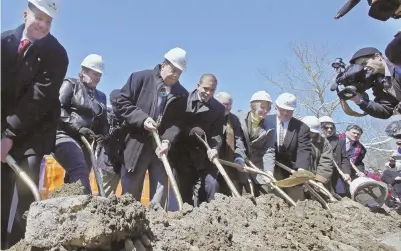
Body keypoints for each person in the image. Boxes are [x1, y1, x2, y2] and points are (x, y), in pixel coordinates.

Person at [1, 0, 68, 248]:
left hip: (34, 130)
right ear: (25, 13)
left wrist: (9, 135)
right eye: (38, 17)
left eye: (48, 21)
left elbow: (37, 100)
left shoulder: (57, 55)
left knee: (24, 189)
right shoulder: (4, 41)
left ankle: (18, 244)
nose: (42, 24)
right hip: (3, 126)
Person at [115, 47, 189, 209]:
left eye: (179, 72)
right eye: (173, 70)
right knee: (130, 196)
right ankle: (130, 227)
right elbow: (121, 102)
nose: (175, 75)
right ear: (163, 65)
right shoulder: (140, 78)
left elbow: (176, 123)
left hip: (160, 148)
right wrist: (142, 119)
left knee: (160, 192)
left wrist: (167, 141)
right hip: (137, 145)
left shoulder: (181, 94)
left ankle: (157, 226)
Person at [53, 54, 109, 195]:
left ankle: (68, 208)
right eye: (94, 73)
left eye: (100, 75)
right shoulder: (70, 84)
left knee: (77, 174)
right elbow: (58, 109)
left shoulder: (101, 96)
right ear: (84, 71)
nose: (98, 78)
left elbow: (104, 120)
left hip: (87, 143)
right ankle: (86, 206)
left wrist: (103, 135)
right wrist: (78, 128)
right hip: (64, 136)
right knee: (79, 168)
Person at [172, 74, 225, 207]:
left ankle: (215, 216)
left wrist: (215, 148)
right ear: (198, 86)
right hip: (182, 154)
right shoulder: (183, 100)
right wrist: (188, 130)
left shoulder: (219, 109)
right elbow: (174, 122)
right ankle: (185, 219)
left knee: (212, 184)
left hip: (203, 155)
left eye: (212, 90)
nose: (208, 93)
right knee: (184, 191)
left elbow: (217, 133)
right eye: (205, 88)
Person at [265, 93, 311, 201]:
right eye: (282, 109)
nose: (285, 113)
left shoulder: (302, 128)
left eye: (289, 110)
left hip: (290, 170)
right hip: (268, 169)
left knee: (294, 201)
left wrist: (301, 170)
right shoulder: (265, 121)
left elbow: (303, 149)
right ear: (276, 106)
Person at [235, 91, 275, 196]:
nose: (265, 111)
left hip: (257, 166)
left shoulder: (270, 126)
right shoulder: (238, 119)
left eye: (268, 108)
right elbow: (238, 142)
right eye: (262, 107)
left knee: (266, 193)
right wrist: (240, 158)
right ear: (252, 106)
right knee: (243, 196)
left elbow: (269, 150)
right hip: (239, 163)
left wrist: (268, 171)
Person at [347, 47, 401, 119]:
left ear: (378, 57)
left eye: (364, 63)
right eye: (361, 66)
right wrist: (359, 101)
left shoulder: (398, 64)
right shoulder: (379, 83)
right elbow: (386, 111)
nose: (365, 68)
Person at [214, 92, 246, 195]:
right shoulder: (209, 116)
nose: (226, 107)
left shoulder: (233, 119)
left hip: (229, 162)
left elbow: (238, 141)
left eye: (228, 104)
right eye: (223, 104)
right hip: (211, 161)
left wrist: (239, 157)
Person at [319, 116, 352, 197]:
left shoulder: (340, 141)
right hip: (318, 171)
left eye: (331, 127)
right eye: (326, 127)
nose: (329, 130)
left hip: (335, 173)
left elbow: (345, 158)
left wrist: (346, 172)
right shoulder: (314, 139)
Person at [301, 116, 334, 189]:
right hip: (298, 178)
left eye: (312, 133)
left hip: (316, 178)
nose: (309, 134)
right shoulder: (294, 138)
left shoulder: (324, 143)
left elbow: (326, 162)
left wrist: (320, 180)